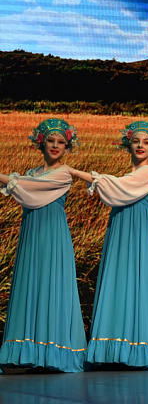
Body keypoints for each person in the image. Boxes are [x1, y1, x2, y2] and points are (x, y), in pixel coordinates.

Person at [68, 121, 148, 369]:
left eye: (146, 142)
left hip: (138, 232)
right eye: (136, 141)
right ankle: (116, 348)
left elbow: (115, 187)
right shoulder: (130, 176)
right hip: (121, 228)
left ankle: (137, 348)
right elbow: (117, 188)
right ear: (128, 145)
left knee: (139, 281)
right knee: (120, 280)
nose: (140, 146)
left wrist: (76, 172)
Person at [0, 118, 87, 372]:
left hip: (52, 233)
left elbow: (28, 188)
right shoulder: (32, 173)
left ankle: (53, 352)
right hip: (32, 232)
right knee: (31, 281)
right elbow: (24, 188)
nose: (56, 146)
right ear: (42, 143)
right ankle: (29, 350)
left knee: (51, 282)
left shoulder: (63, 173)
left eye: (61, 142)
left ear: (67, 146)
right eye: (51, 140)